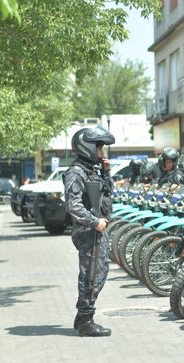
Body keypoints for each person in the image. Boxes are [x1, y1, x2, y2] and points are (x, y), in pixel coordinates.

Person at [64, 126, 115, 337]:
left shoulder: (92, 171)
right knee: (91, 275)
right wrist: (94, 222)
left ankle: (82, 317)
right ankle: (86, 320)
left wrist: (106, 172)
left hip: (96, 229)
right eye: (99, 148)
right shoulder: (76, 173)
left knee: (100, 271)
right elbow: (73, 205)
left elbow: (108, 193)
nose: (102, 152)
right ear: (88, 148)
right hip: (88, 232)